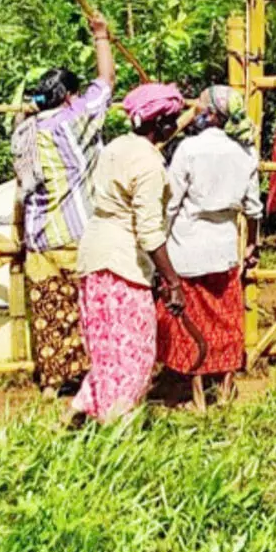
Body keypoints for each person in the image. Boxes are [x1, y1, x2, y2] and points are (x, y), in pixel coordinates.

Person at [66, 84, 187, 426]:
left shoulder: (116, 147)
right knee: (133, 354)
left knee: (107, 350)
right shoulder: (149, 165)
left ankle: (78, 417)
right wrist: (173, 282)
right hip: (122, 262)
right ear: (160, 123)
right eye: (173, 119)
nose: (175, 125)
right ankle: (116, 430)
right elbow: (149, 232)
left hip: (94, 253)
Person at [10, 14, 115, 397]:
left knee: (50, 311)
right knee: (87, 308)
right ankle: (90, 377)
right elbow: (105, 84)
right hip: (76, 231)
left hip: (38, 234)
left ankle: (52, 383)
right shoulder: (77, 122)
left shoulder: (24, 131)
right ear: (70, 95)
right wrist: (100, 36)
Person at [157, 86, 262, 410]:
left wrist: (157, 241)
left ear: (212, 115)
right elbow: (254, 208)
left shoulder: (189, 149)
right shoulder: (246, 152)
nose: (195, 111)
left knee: (193, 323)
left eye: (200, 106)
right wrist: (252, 244)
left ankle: (198, 398)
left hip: (187, 247)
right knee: (227, 321)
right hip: (224, 249)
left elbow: (171, 204)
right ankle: (226, 391)